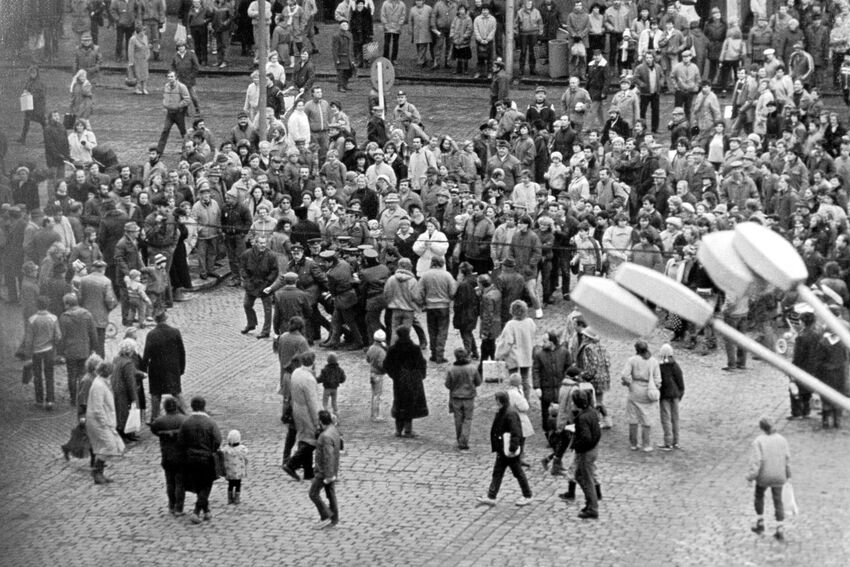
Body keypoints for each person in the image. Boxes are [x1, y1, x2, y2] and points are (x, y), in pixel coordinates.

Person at [477, 391, 533, 506]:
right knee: (498, 472)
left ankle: (528, 495)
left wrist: (513, 447)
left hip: (508, 449)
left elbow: (515, 431)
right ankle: (491, 496)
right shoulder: (504, 411)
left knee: (518, 472)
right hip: (503, 449)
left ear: (499, 401)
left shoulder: (509, 413)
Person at [746, 417, 791, 541]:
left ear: (762, 428)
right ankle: (780, 528)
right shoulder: (782, 440)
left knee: (759, 496)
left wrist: (750, 477)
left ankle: (760, 522)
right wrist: (788, 475)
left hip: (764, 476)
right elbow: (787, 458)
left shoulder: (758, 441)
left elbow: (756, 462)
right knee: (778, 500)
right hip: (779, 474)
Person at [179, 396, 222, 524]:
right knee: (206, 484)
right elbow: (218, 440)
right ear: (204, 406)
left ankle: (207, 510)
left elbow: (180, 441)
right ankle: (197, 511)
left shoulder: (186, 422)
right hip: (206, 458)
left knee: (198, 484)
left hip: (190, 458)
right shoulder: (210, 423)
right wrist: (212, 449)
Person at [283, 350, 321, 481]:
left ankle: (308, 471)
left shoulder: (296, 372)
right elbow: (313, 402)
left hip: (297, 410)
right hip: (306, 412)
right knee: (311, 441)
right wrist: (317, 421)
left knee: (304, 438)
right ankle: (292, 464)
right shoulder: (309, 379)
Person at [384, 326, 428, 437]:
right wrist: (420, 376)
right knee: (410, 402)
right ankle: (408, 430)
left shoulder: (393, 349)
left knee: (399, 402)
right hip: (413, 379)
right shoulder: (415, 348)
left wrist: (394, 375)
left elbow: (387, 364)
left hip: (399, 379)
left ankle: (398, 430)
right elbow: (421, 363)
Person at [86, 361, 126, 484]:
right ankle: (96, 472)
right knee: (109, 445)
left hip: (102, 421)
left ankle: (99, 473)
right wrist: (105, 422)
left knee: (106, 446)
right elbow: (97, 408)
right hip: (99, 422)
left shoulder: (102, 382)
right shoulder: (99, 385)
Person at [141, 312, 187, 421]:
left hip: (156, 369)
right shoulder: (175, 332)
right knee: (176, 391)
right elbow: (182, 351)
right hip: (172, 368)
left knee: (156, 394)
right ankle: (186, 414)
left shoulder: (151, 334)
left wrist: (143, 370)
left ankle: (155, 418)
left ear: (156, 320)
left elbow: (147, 353)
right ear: (166, 318)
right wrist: (181, 368)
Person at [57, 293, 98, 407]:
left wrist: (60, 352)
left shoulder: (64, 317)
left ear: (68, 304)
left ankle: (72, 399)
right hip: (84, 349)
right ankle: (82, 398)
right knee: (82, 375)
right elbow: (93, 333)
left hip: (70, 351)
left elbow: (62, 336)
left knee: (71, 375)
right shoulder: (87, 315)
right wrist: (94, 348)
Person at [150, 396, 188, 516]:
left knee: (170, 482)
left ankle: (171, 505)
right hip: (181, 457)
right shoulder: (184, 420)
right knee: (180, 483)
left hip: (167, 456)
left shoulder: (159, 421)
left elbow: (154, 430)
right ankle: (179, 508)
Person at [620, 339, 661, 451]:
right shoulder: (653, 361)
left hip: (634, 389)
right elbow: (658, 380)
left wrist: (628, 384)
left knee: (633, 418)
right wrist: (655, 387)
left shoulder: (632, 360)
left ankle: (633, 443)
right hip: (648, 390)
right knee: (647, 418)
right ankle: (646, 444)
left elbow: (624, 375)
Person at [22, 296, 62, 410]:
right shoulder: (53, 318)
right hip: (49, 350)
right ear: (47, 305)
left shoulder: (32, 319)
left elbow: (28, 340)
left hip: (36, 352)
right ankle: (50, 400)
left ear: (37, 305)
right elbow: (58, 336)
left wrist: (27, 354)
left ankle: (39, 400)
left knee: (37, 376)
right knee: (49, 375)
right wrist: (54, 344)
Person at [495, 299, 536, 400]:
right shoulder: (530, 322)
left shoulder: (510, 325)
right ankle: (526, 399)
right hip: (526, 354)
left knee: (513, 379)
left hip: (513, 356)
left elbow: (507, 342)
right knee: (525, 379)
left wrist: (499, 355)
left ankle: (515, 399)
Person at [240, 235, 279, 338]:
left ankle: (265, 331)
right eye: (260, 243)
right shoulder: (247, 254)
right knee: (247, 304)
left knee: (267, 309)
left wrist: (268, 283)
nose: (263, 245)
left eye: (264, 243)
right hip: (251, 284)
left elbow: (275, 271)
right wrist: (247, 281)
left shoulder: (271, 256)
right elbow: (242, 268)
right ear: (255, 243)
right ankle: (251, 324)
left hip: (265, 284)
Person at [571, 387, 601, 519]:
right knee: (578, 475)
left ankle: (592, 507)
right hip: (593, 449)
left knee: (586, 479)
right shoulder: (592, 412)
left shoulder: (582, 418)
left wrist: (576, 445)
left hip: (586, 452)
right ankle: (590, 502)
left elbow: (585, 438)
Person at [444, 347, 482, 450]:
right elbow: (478, 382)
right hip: (469, 397)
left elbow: (447, 384)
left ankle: (459, 438)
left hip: (456, 397)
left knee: (458, 419)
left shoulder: (451, 369)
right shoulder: (472, 368)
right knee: (467, 419)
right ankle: (464, 440)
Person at [310, 409, 341, 529]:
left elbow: (328, 456)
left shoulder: (325, 436)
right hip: (332, 469)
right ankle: (334, 518)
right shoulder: (333, 430)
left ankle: (326, 516)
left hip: (324, 471)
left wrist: (328, 476)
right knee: (330, 494)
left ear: (321, 422)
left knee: (313, 493)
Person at [111, 338, 141, 441]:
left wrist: (140, 373)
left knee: (120, 413)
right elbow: (130, 381)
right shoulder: (128, 363)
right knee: (127, 413)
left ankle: (124, 434)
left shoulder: (116, 359)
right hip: (124, 392)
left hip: (116, 389)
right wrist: (134, 398)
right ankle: (127, 434)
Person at [657, 343, 684, 451]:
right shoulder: (676, 365)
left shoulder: (660, 367)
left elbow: (658, 383)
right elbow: (680, 382)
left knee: (666, 419)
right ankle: (676, 442)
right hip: (675, 395)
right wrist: (680, 394)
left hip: (665, 396)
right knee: (675, 419)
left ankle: (668, 442)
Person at [156, 71, 191, 155]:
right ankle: (159, 151)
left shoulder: (181, 87)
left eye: (172, 77)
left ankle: (187, 149)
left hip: (179, 113)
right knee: (165, 130)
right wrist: (165, 104)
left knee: (183, 132)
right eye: (168, 77)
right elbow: (165, 96)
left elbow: (187, 99)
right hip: (169, 113)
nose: (170, 78)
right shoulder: (166, 86)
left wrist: (179, 106)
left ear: (176, 77)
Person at [221, 429, 249, 505]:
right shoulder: (242, 449)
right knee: (238, 484)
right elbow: (246, 454)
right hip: (238, 472)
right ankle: (237, 499)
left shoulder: (226, 449)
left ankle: (229, 499)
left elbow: (221, 453)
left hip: (230, 472)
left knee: (230, 485)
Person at [366, 329, 388, 421]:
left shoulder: (371, 348)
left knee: (373, 394)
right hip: (378, 374)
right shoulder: (381, 351)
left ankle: (372, 414)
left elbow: (367, 359)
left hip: (372, 373)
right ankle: (375, 415)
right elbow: (382, 364)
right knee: (377, 395)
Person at [331, 20, 355, 93]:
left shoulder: (350, 34)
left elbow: (351, 47)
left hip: (349, 57)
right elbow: (335, 49)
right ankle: (340, 86)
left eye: (346, 25)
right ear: (340, 26)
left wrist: (352, 58)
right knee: (341, 73)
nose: (345, 26)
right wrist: (336, 59)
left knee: (348, 72)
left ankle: (345, 85)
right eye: (343, 25)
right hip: (341, 57)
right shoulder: (336, 36)